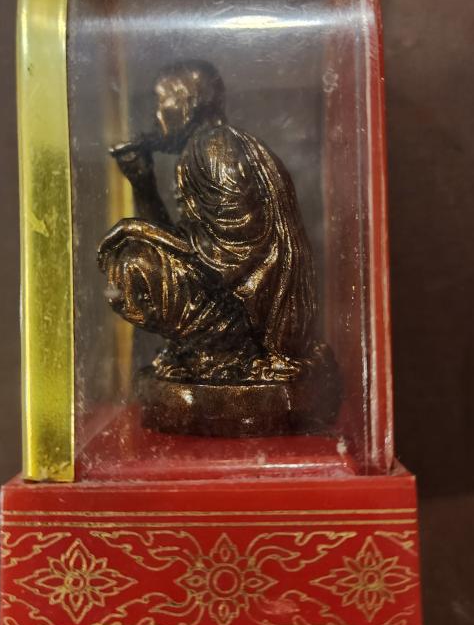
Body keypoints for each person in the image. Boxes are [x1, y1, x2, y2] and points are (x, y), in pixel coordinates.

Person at [98, 60, 317, 384]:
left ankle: (224, 351)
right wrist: (142, 182)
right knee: (137, 253)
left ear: (189, 104)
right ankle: (206, 350)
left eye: (161, 102)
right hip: (227, 288)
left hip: (247, 306)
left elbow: (234, 254)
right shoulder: (202, 147)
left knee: (133, 263)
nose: (156, 116)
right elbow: (191, 242)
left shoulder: (213, 147)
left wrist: (139, 229)